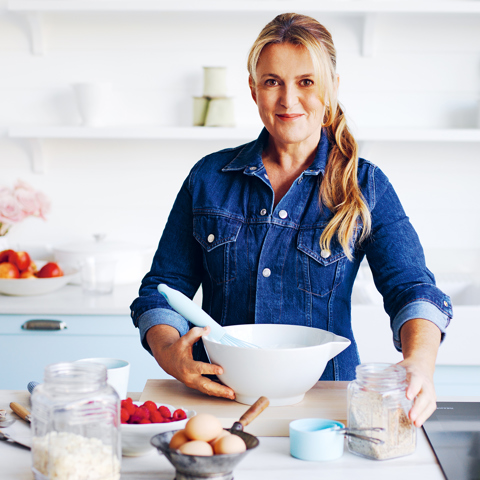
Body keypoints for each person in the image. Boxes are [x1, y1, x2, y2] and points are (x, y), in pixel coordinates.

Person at [130, 13, 452, 428]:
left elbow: (413, 289)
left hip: (326, 406)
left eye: (306, 81)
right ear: (253, 89)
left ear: (332, 88)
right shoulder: (208, 178)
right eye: (272, 82)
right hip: (219, 401)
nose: (288, 100)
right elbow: (162, 290)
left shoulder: (366, 185)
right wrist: (171, 355)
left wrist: (419, 364)